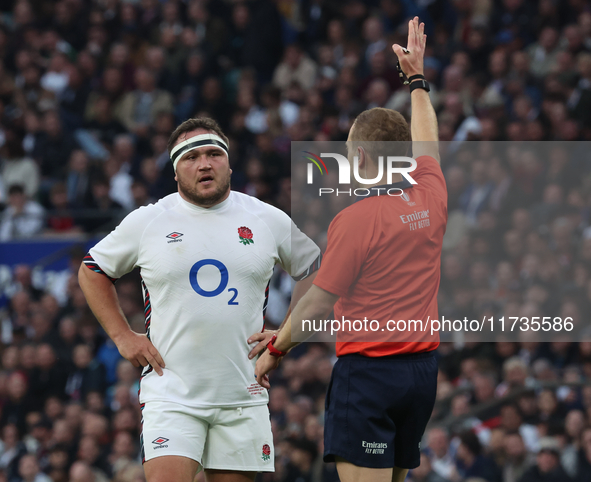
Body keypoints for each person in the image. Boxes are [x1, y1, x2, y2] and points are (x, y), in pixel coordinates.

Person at [253, 17, 445, 482]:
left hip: (370, 377)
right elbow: (429, 139)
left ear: (358, 159)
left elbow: (319, 302)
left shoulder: (356, 220)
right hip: (421, 374)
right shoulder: (431, 193)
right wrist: (417, 81)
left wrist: (275, 350)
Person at [78, 117, 322, 482]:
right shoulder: (150, 220)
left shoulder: (265, 218)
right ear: (176, 172)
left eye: (213, 154)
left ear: (228, 163)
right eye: (191, 157)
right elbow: (92, 270)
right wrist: (122, 336)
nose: (204, 163)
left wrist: (284, 334)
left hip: (243, 392)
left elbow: (316, 269)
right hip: (171, 391)